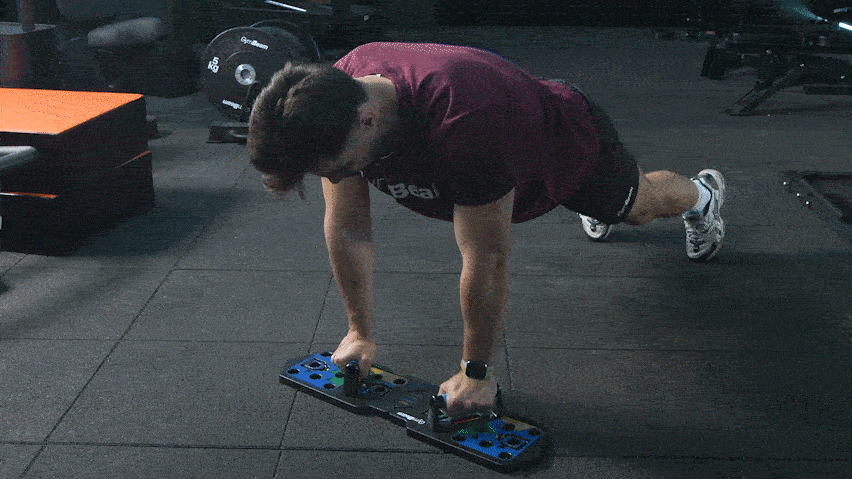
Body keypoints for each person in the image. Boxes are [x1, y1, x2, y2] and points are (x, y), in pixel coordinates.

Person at [247, 42, 725, 416]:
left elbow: (486, 257)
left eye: (336, 168)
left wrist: (476, 372)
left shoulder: (466, 119)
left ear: (368, 120)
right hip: (486, 156)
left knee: (638, 206)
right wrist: (359, 332)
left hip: (564, 148)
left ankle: (702, 196)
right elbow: (348, 227)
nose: (336, 179)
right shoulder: (337, 93)